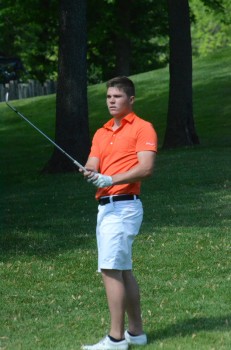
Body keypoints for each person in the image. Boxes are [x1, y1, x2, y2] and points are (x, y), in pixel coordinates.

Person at [81, 76, 157, 350]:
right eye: (109, 97)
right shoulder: (101, 132)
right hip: (105, 209)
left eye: (117, 97)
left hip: (125, 206)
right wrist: (90, 171)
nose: (111, 101)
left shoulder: (143, 128)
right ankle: (135, 333)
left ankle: (115, 339)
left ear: (131, 100)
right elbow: (93, 161)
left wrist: (110, 179)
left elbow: (146, 168)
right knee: (122, 269)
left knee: (110, 269)